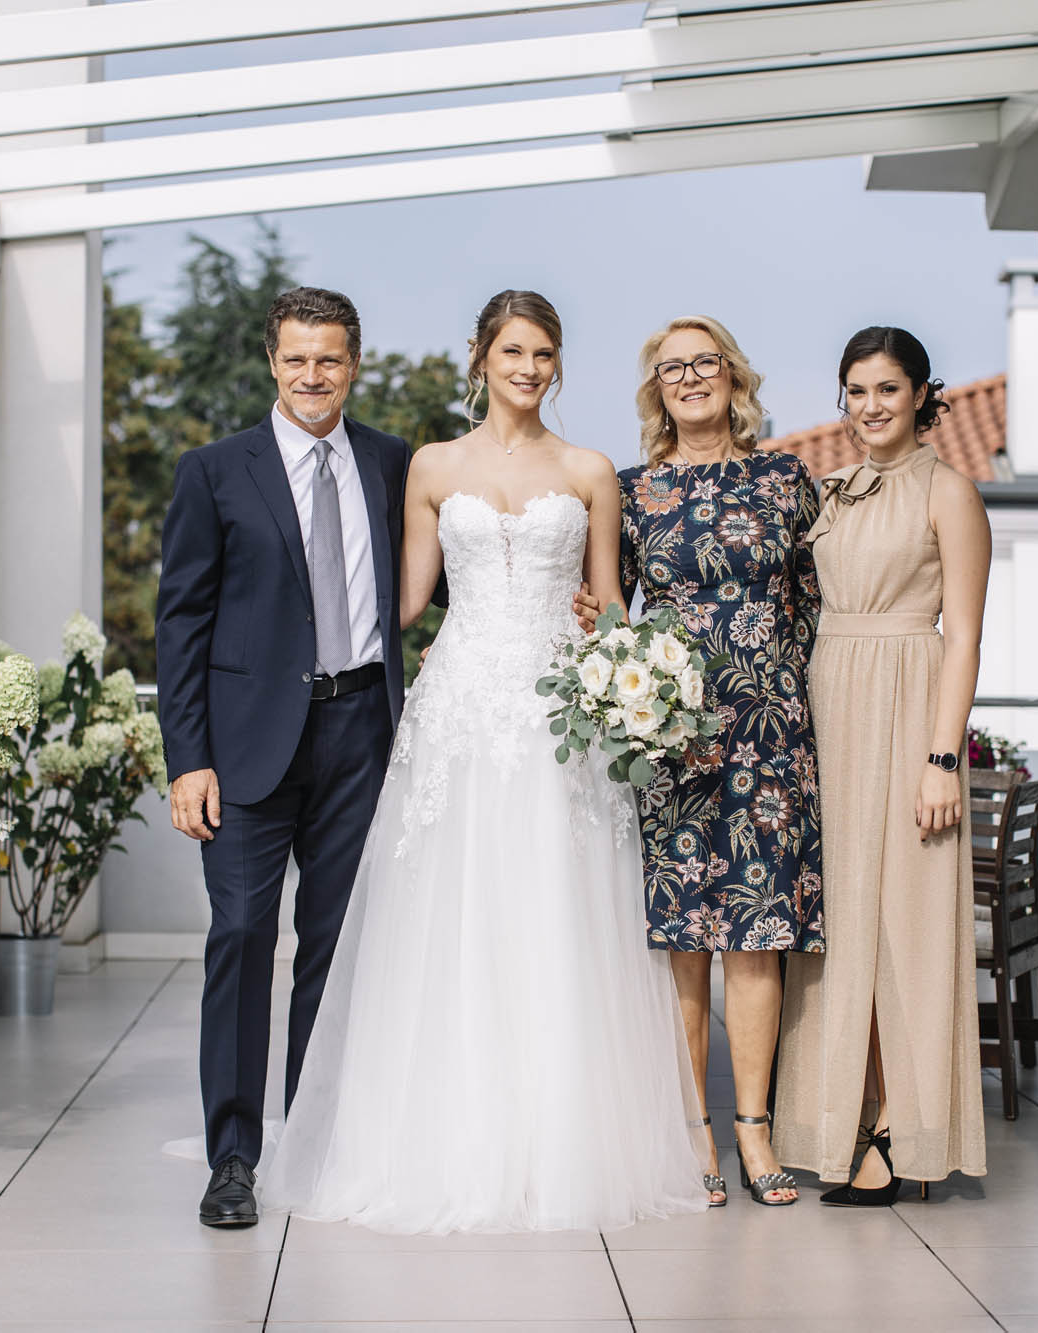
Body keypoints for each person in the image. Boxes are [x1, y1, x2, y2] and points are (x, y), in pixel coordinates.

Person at [262, 291, 708, 1233]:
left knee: (550, 910)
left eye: (544, 352)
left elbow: (610, 602)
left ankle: (558, 1145)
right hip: (459, 706)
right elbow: (408, 600)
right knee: (451, 917)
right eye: (513, 349)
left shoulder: (590, 469)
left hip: (558, 716)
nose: (530, 366)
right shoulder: (431, 465)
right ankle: (441, 1139)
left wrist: (621, 650)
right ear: (480, 354)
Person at [155, 287, 414, 1230]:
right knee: (240, 936)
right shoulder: (216, 471)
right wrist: (188, 758)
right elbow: (179, 622)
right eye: (298, 359)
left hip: (360, 735)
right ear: (274, 361)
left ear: (355, 363)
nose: (314, 376)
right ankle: (233, 1155)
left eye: (332, 359)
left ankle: (315, 1138)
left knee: (338, 950)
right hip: (246, 745)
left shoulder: (391, 463)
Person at [578, 315, 822, 1207]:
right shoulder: (632, 492)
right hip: (670, 737)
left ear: (733, 376)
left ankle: (755, 1130)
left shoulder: (787, 478)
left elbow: (810, 605)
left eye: (703, 363)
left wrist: (780, 692)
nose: (689, 379)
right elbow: (612, 612)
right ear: (656, 389)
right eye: (671, 368)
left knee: (757, 937)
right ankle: (692, 1129)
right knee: (682, 939)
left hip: (769, 730)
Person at [774, 326, 992, 1203]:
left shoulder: (951, 492)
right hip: (831, 698)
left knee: (908, 920)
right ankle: (846, 1122)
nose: (869, 406)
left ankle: (908, 1123)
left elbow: (966, 633)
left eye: (887, 390)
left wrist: (943, 756)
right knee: (836, 924)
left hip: (911, 700)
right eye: (855, 391)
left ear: (919, 395)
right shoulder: (827, 494)